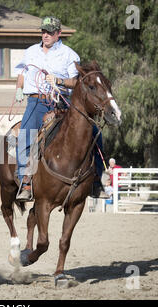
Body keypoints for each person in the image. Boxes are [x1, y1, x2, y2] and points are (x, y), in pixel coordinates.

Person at [13, 16, 106, 201]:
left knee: (95, 132)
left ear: (58, 33)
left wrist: (58, 80)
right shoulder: (31, 52)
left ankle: (97, 180)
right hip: (36, 102)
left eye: (50, 32)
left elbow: (76, 82)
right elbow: (22, 73)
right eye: (43, 31)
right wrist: (18, 89)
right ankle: (26, 181)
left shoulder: (69, 55)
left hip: (62, 102)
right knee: (25, 135)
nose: (45, 35)